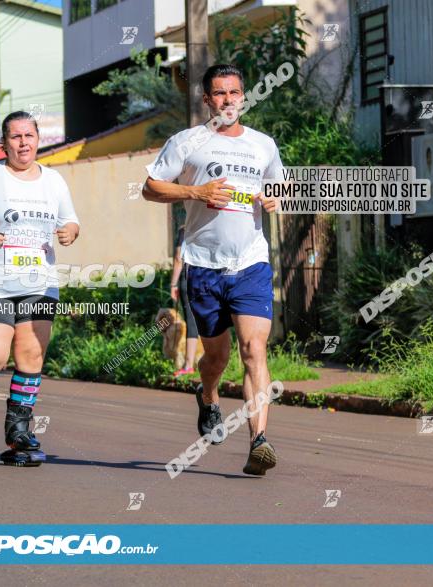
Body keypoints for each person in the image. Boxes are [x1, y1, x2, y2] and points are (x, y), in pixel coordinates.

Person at [143, 64, 283, 476]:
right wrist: (194, 191)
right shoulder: (188, 142)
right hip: (203, 266)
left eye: (234, 93)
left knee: (254, 350)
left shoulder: (263, 145)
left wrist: (276, 199)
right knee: (216, 359)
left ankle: (259, 440)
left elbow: (278, 186)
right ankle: (208, 396)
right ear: (207, 100)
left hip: (251, 263)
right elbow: (151, 187)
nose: (227, 101)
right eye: (219, 94)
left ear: (244, 97)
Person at [0, 110, 80, 466]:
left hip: (39, 282)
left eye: (29, 135)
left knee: (31, 355)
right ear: (3, 144)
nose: (23, 142)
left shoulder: (53, 182)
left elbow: (70, 220)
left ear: (38, 139)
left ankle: (19, 431)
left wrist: (70, 231)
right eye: (15, 136)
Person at [169, 224, 199, 376]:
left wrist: (173, 283)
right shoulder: (208, 224)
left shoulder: (185, 229)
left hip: (189, 278)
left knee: (192, 321)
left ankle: (188, 365)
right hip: (210, 276)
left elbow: (178, 258)